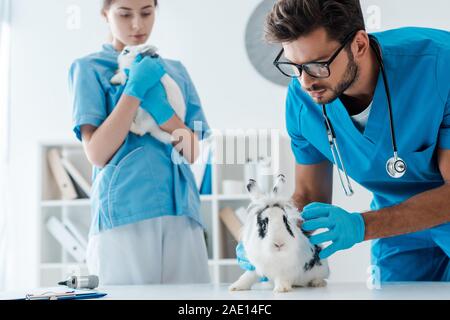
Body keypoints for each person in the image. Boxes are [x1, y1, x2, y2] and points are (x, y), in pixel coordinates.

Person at [238, 0, 450, 282]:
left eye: (317, 65)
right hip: (396, 228)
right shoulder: (302, 100)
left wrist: (360, 226)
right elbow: (310, 194)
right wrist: (269, 237)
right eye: (294, 66)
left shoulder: (438, 66)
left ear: (359, 44)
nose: (305, 82)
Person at [68, 0, 211, 285]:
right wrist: (133, 92)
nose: (137, 24)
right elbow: (97, 153)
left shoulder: (175, 71)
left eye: (146, 13)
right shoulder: (89, 69)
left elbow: (193, 152)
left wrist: (163, 113)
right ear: (104, 14)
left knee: (190, 301)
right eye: (125, 14)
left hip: (181, 210)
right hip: (124, 211)